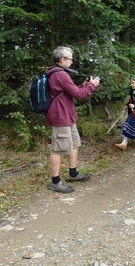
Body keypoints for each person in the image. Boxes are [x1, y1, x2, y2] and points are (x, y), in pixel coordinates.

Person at [45, 46, 101, 193]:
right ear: (62, 59)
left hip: (67, 115)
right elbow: (79, 95)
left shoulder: (59, 74)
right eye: (70, 59)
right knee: (57, 149)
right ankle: (55, 182)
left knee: (74, 144)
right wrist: (92, 86)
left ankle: (73, 173)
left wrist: (84, 85)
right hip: (60, 116)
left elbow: (71, 91)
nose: (71, 61)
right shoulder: (60, 74)